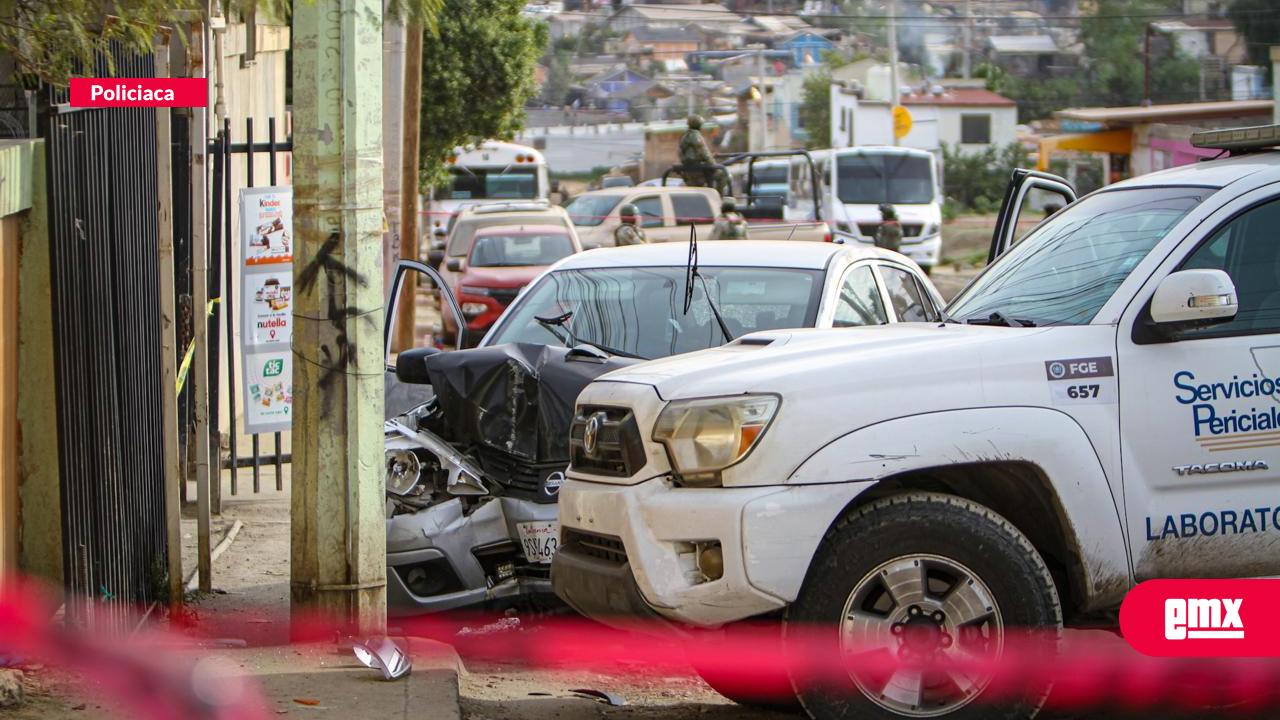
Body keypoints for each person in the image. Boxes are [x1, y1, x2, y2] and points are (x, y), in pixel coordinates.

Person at [678, 115, 724, 192]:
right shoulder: (696, 136)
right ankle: (719, 197)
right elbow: (704, 153)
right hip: (698, 168)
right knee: (722, 174)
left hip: (688, 168)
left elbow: (681, 153)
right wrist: (714, 165)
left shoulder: (685, 137)